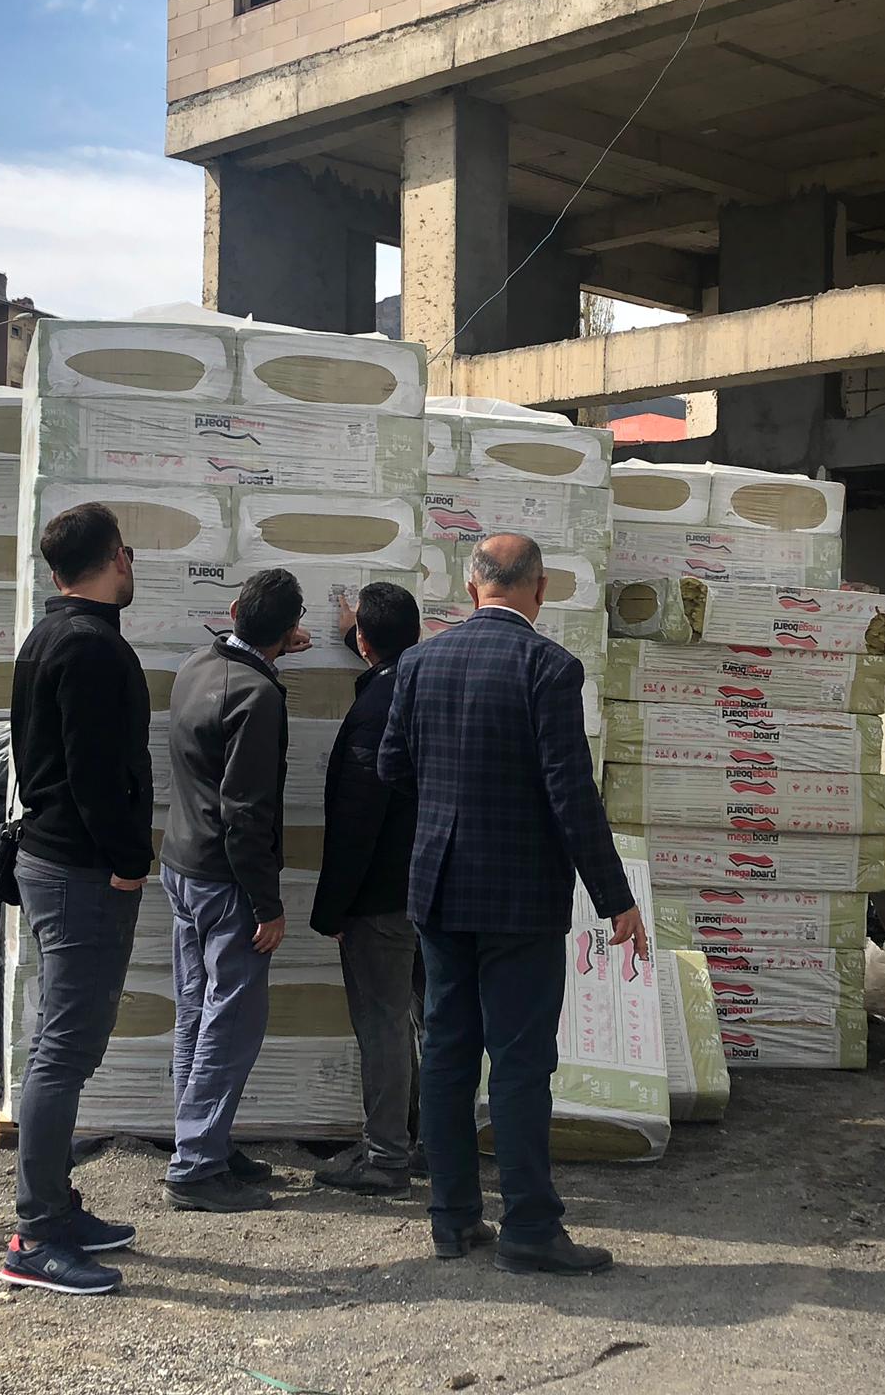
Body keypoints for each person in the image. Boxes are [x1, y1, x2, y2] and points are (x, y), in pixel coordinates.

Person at [378, 533, 647, 1277]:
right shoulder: (549, 667)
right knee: (523, 1063)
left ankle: (453, 1219)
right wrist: (615, 897)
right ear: (542, 588)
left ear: (472, 588)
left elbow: (390, 765)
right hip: (519, 897)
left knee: (448, 1055)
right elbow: (570, 791)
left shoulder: (420, 662)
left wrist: (445, 810)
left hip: (437, 888)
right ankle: (529, 1226)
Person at [1, 502, 152, 1297]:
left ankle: (56, 1204)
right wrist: (129, 859)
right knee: (64, 1051)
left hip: (57, 861)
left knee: (67, 1044)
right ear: (114, 559)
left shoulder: (50, 636)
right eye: (129, 553)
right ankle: (37, 1233)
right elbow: (95, 774)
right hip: (82, 869)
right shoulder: (92, 648)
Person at [160, 568, 309, 1214]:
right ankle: (195, 1167)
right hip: (228, 881)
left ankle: (204, 1142)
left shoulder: (198, 665)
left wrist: (271, 650)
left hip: (182, 866)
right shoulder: (260, 696)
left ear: (232, 611)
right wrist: (267, 905)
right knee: (232, 1021)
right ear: (288, 628)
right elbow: (246, 809)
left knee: (198, 1008)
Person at [311, 582, 422, 1197]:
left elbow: (358, 818)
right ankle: (426, 1141)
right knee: (429, 1020)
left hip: (382, 897)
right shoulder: (427, 685)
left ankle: (384, 1157)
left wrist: (331, 907)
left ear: (361, 639)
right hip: (436, 891)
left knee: (381, 1023)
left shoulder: (374, 710)